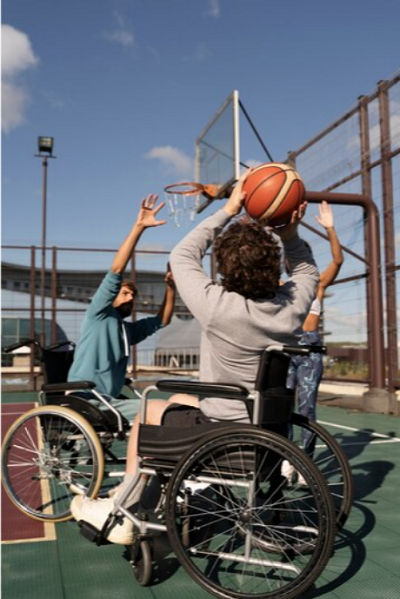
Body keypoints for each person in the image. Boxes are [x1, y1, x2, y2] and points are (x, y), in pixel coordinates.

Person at [71, 171, 319, 543]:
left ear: (224, 270)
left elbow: (183, 253)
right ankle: (153, 496)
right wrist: (288, 234)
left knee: (150, 410)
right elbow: (306, 269)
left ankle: (122, 507)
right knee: (178, 399)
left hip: (224, 433)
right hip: (266, 428)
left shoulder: (217, 307)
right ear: (274, 269)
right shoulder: (291, 308)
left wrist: (229, 208)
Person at [67, 194, 176, 423]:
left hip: (109, 399)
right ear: (111, 297)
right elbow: (116, 269)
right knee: (163, 411)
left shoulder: (124, 331)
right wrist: (139, 228)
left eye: (133, 295)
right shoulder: (99, 314)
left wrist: (170, 287)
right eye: (124, 293)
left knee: (172, 406)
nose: (130, 298)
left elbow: (162, 320)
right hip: (88, 399)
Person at [286, 200, 344, 458]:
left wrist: (330, 228)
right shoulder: (281, 286)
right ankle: (284, 458)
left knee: (306, 408)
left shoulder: (318, 284)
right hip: (286, 348)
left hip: (309, 348)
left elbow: (338, 259)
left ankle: (305, 459)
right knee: (282, 406)